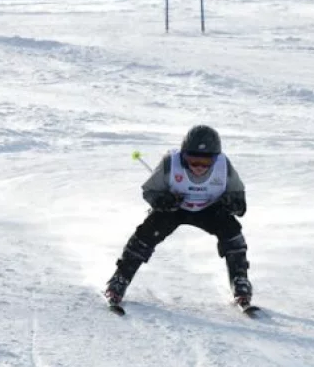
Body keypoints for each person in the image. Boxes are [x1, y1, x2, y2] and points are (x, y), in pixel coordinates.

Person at [104, 125, 252, 307]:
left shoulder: (224, 166)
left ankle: (240, 282)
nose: (199, 167)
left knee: (232, 232)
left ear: (215, 159)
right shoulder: (170, 164)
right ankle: (120, 279)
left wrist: (233, 204)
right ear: (183, 157)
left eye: (206, 163)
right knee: (147, 233)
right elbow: (149, 191)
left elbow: (240, 200)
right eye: (192, 161)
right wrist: (162, 201)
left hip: (210, 209)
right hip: (175, 208)